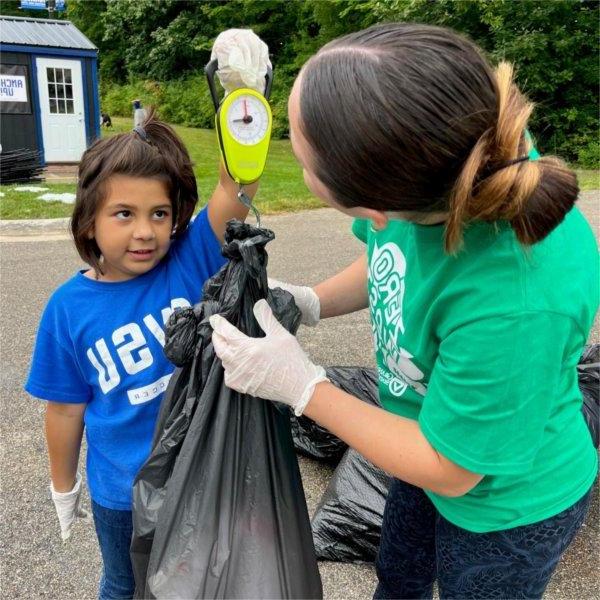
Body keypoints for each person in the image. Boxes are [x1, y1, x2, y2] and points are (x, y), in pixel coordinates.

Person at [209, 23, 599, 599]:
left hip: (505, 504)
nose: (292, 144)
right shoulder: (455, 163)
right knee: (399, 579)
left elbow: (451, 467)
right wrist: (314, 301)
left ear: (374, 202)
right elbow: (391, 262)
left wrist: (305, 387)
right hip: (418, 437)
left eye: (299, 146)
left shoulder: (514, 302)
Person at [25, 109, 258, 600]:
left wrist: (245, 108)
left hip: (201, 476)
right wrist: (62, 486)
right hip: (121, 493)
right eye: (124, 214)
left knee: (202, 579)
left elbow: (235, 189)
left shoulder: (190, 258)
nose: (146, 232)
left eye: (159, 213)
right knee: (124, 583)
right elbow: (66, 409)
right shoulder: (67, 310)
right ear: (88, 222)